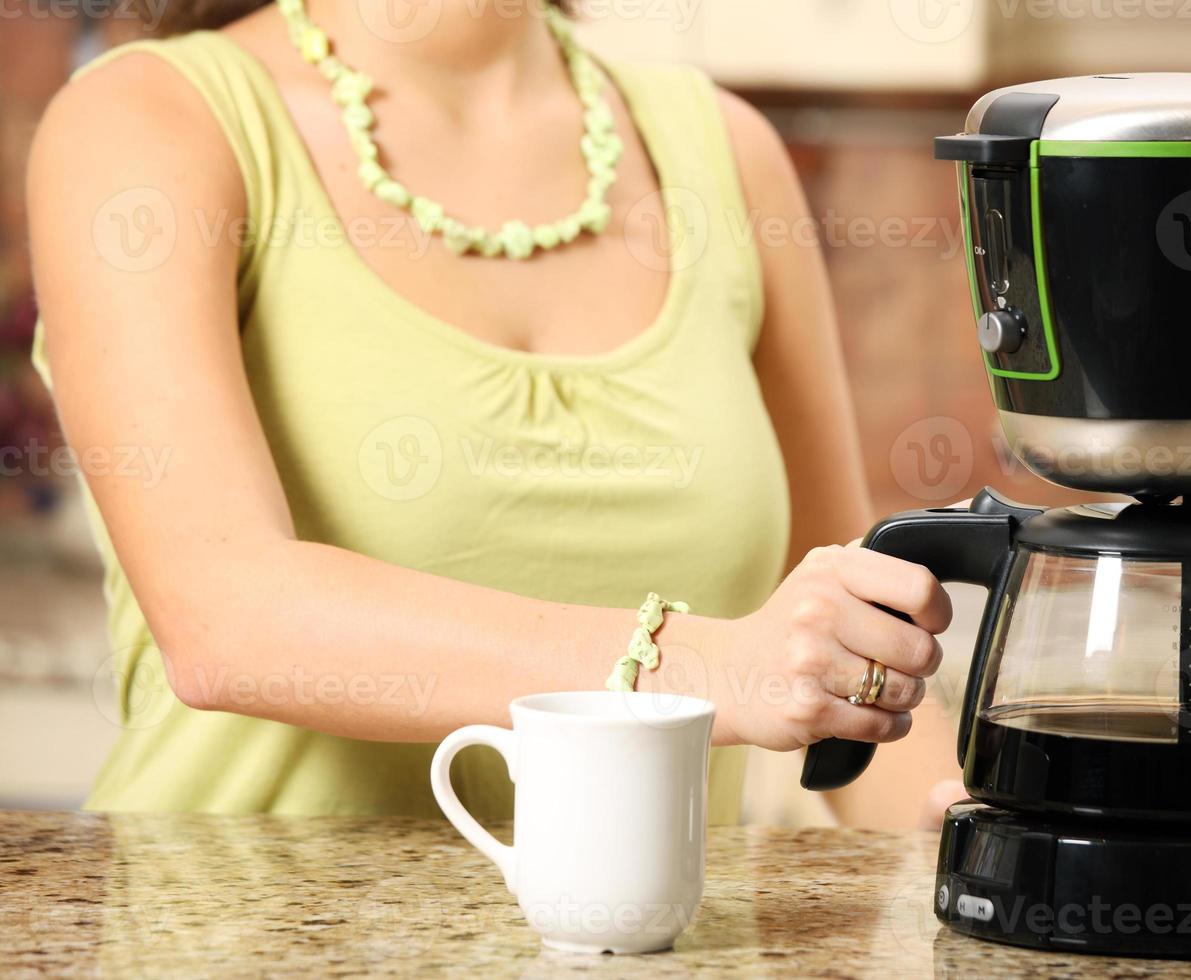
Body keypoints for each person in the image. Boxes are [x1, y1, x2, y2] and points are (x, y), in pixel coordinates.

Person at [27, 0, 958, 824]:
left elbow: (852, 653)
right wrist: (708, 666)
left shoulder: (725, 153)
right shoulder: (148, 123)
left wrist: (969, 828)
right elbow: (224, 615)